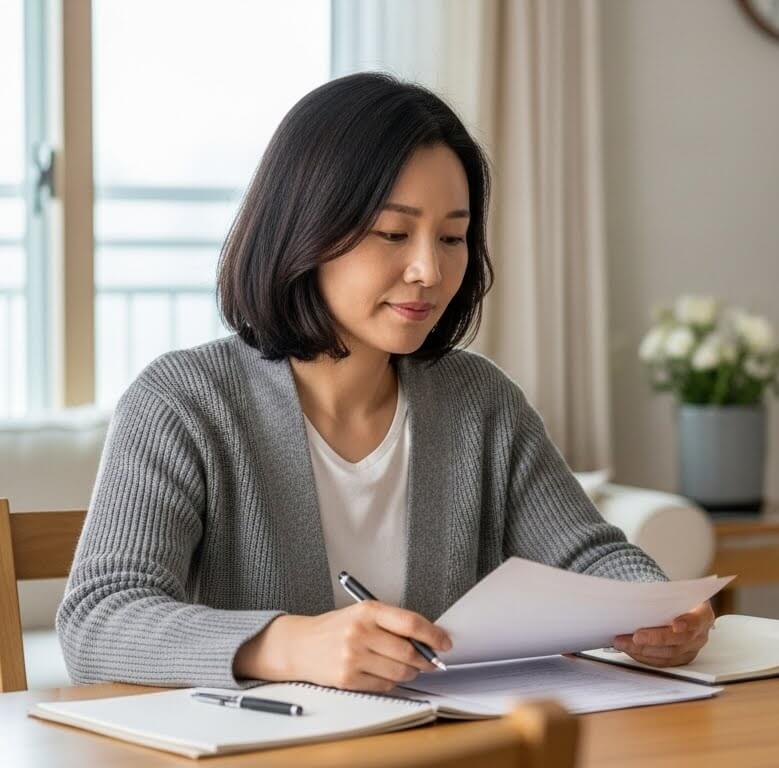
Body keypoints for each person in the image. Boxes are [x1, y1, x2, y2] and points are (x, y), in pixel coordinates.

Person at [57, 72, 713, 693]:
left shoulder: (479, 402)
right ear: (304, 230)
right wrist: (291, 645)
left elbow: (589, 555)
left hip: (455, 749)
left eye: (452, 238)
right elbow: (97, 618)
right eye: (393, 233)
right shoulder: (183, 402)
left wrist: (660, 612)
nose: (429, 269)